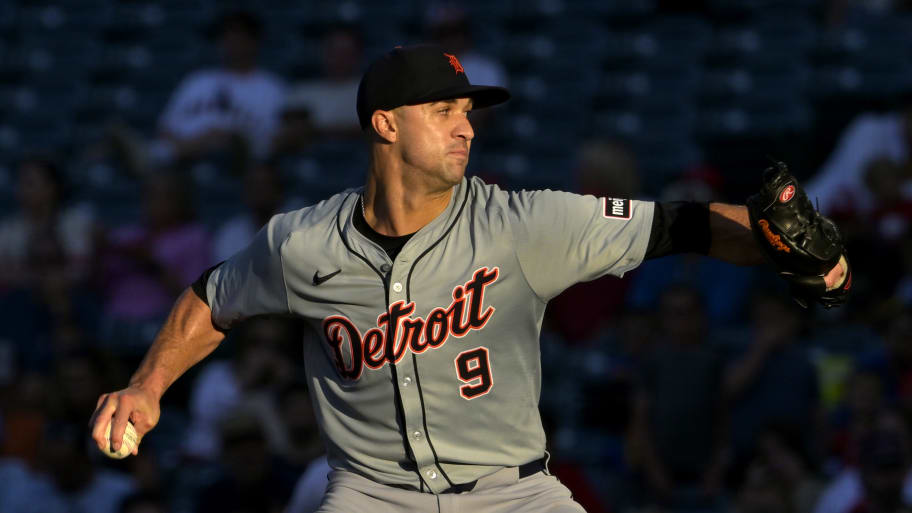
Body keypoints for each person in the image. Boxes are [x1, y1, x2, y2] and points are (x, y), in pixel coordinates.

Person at [90, 44, 848, 512]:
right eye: (444, 109)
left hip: (514, 491)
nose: (467, 125)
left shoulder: (521, 224)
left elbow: (681, 224)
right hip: (371, 497)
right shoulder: (301, 242)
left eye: (468, 110)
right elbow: (210, 298)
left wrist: (802, 256)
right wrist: (147, 386)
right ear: (386, 124)